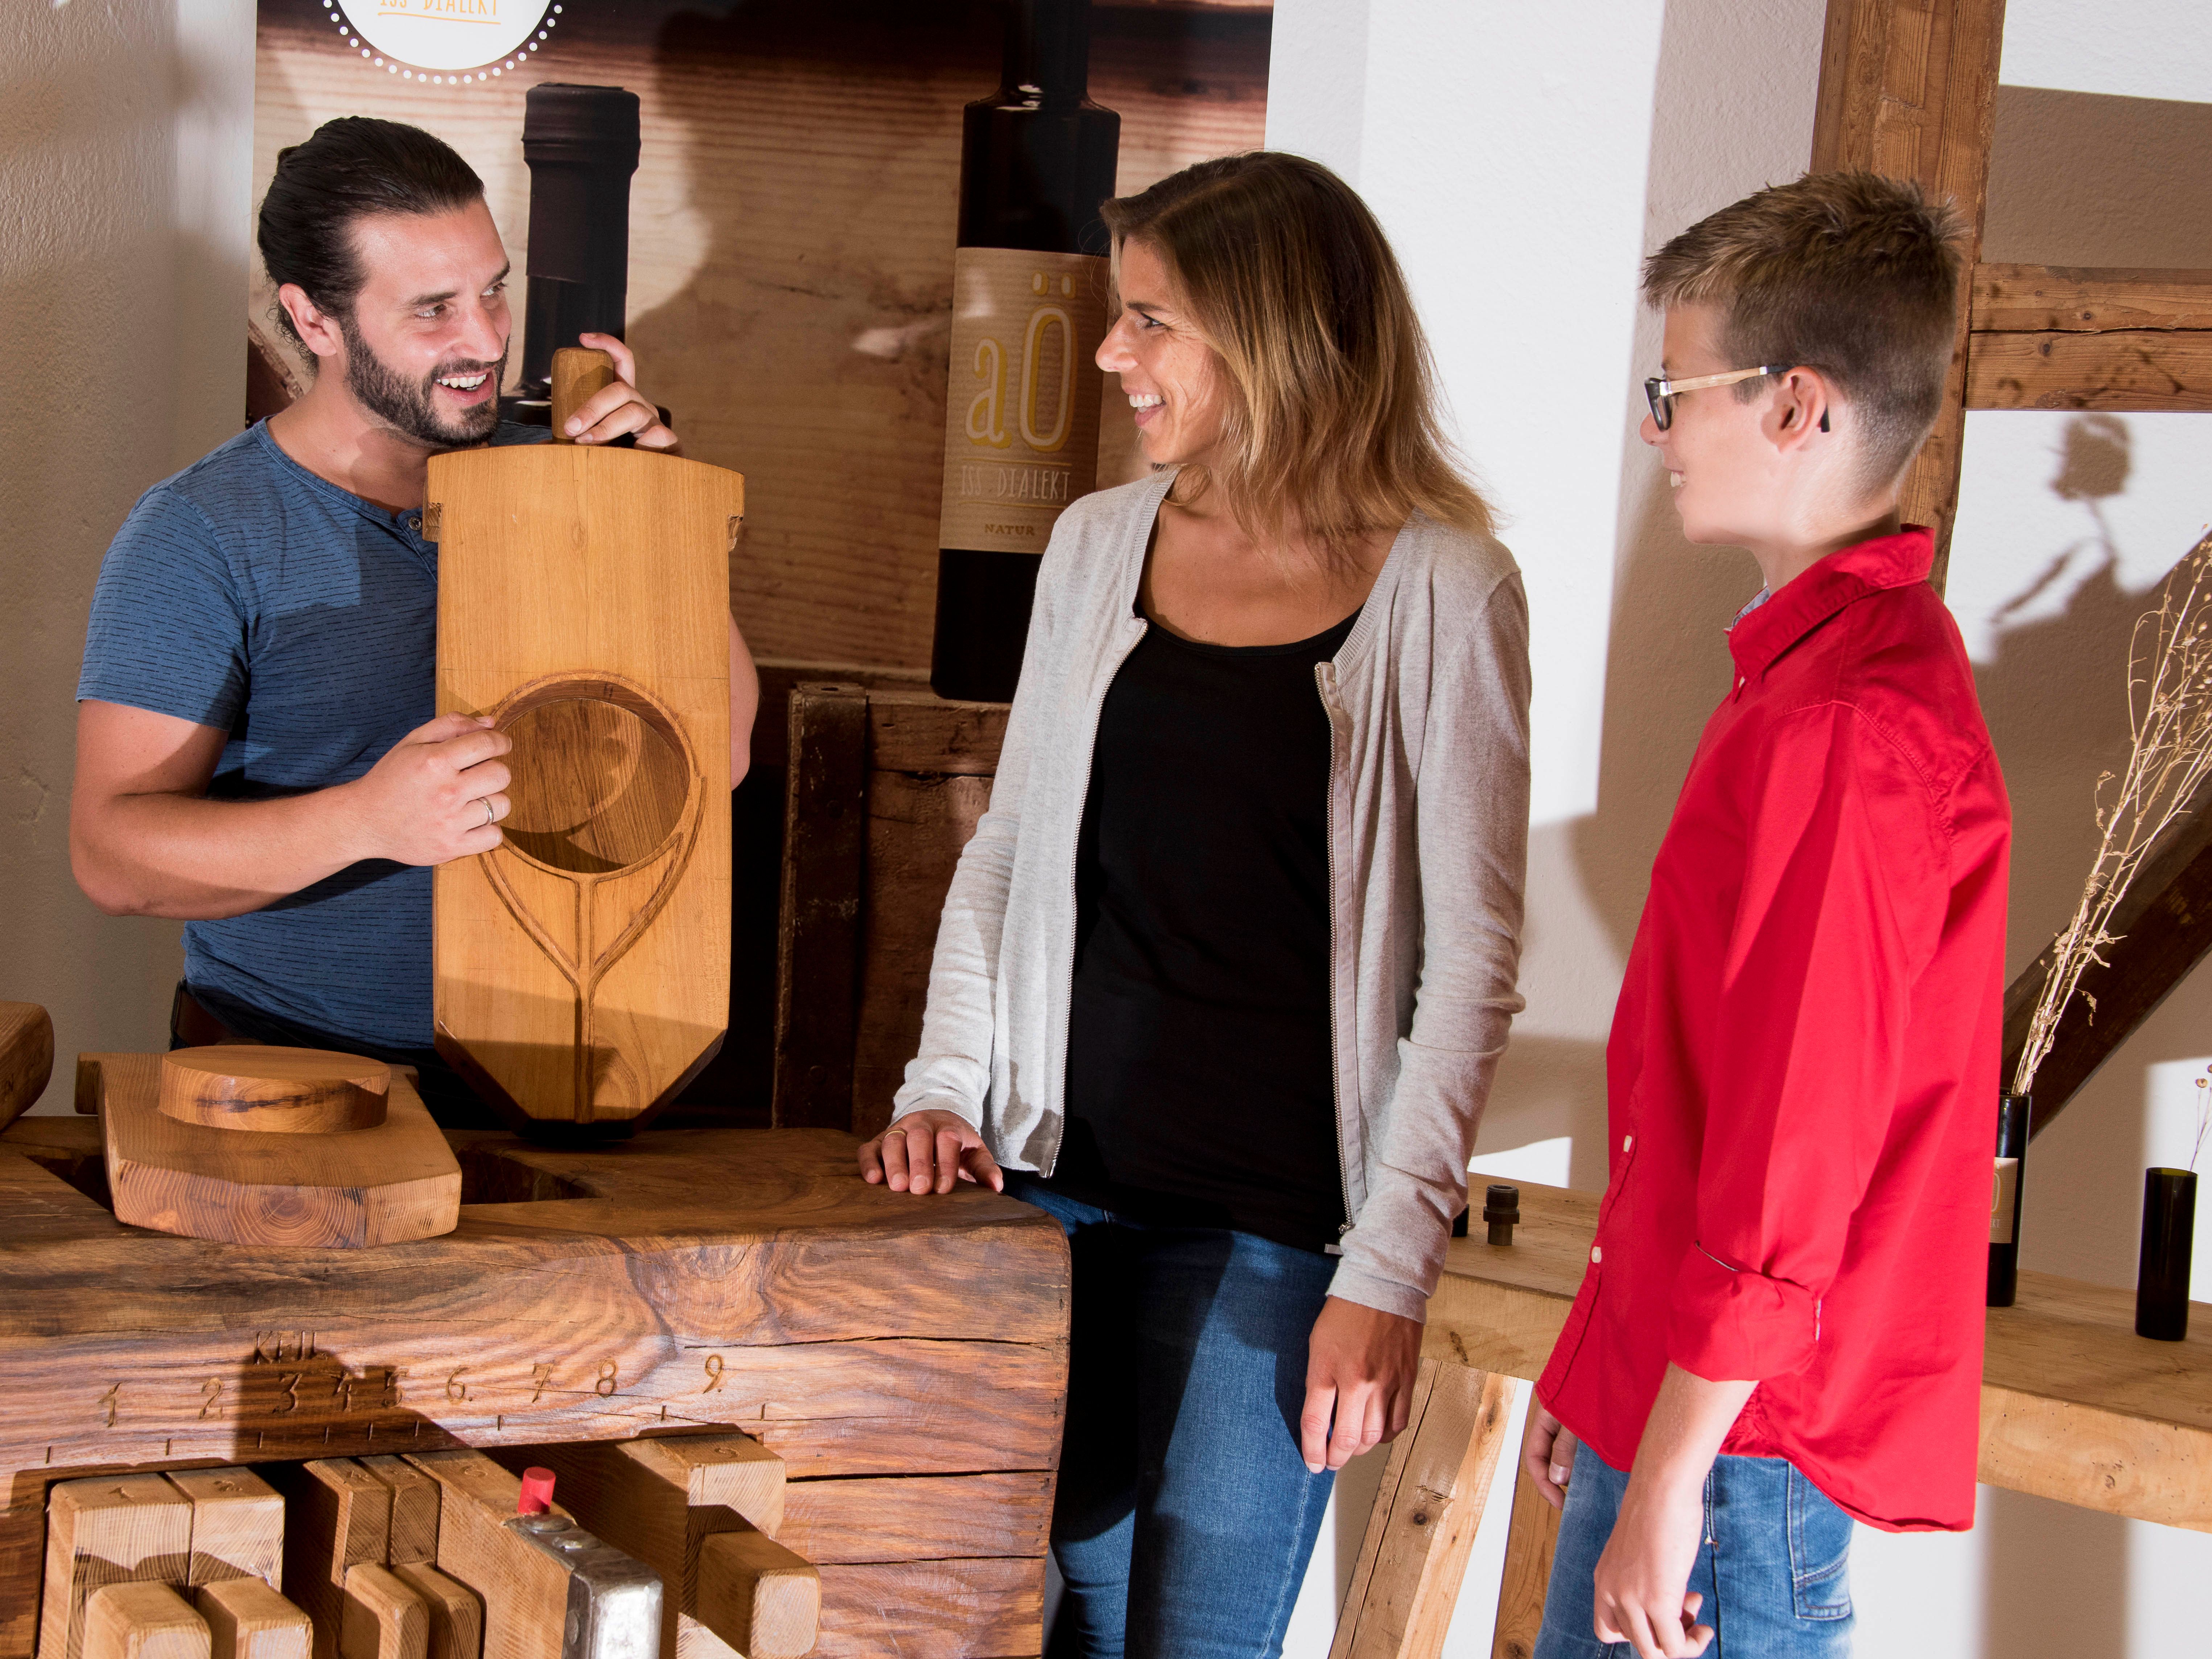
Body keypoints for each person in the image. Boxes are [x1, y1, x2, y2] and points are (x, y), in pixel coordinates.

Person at [857, 152, 1530, 1656]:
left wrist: (1388, 1269)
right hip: (1056, 1198)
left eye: (1148, 320)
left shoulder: (1445, 590)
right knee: (1057, 1628)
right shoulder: (1099, 543)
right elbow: (1012, 849)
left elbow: (1473, 968)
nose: (1109, 356)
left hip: (1281, 1241)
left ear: (1270, 335)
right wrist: (941, 1083)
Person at [1521, 173, 2011, 1659]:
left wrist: (1667, 1470)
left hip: (1734, 1458)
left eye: (1674, 390)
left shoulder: (1852, 728)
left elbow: (1797, 1143)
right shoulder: (1806, 687)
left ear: (1795, 407)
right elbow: (1697, 1096)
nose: (1654, 431)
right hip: (1682, 1413)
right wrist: (1600, 1376)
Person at [68, 116, 757, 1123]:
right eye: (432, 310)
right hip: (303, 1100)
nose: (483, 340)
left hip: (597, 1083)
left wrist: (653, 520)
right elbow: (113, 858)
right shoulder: (202, 532)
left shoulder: (573, 470)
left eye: (492, 290)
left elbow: (721, 753)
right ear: (314, 320)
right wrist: (369, 820)